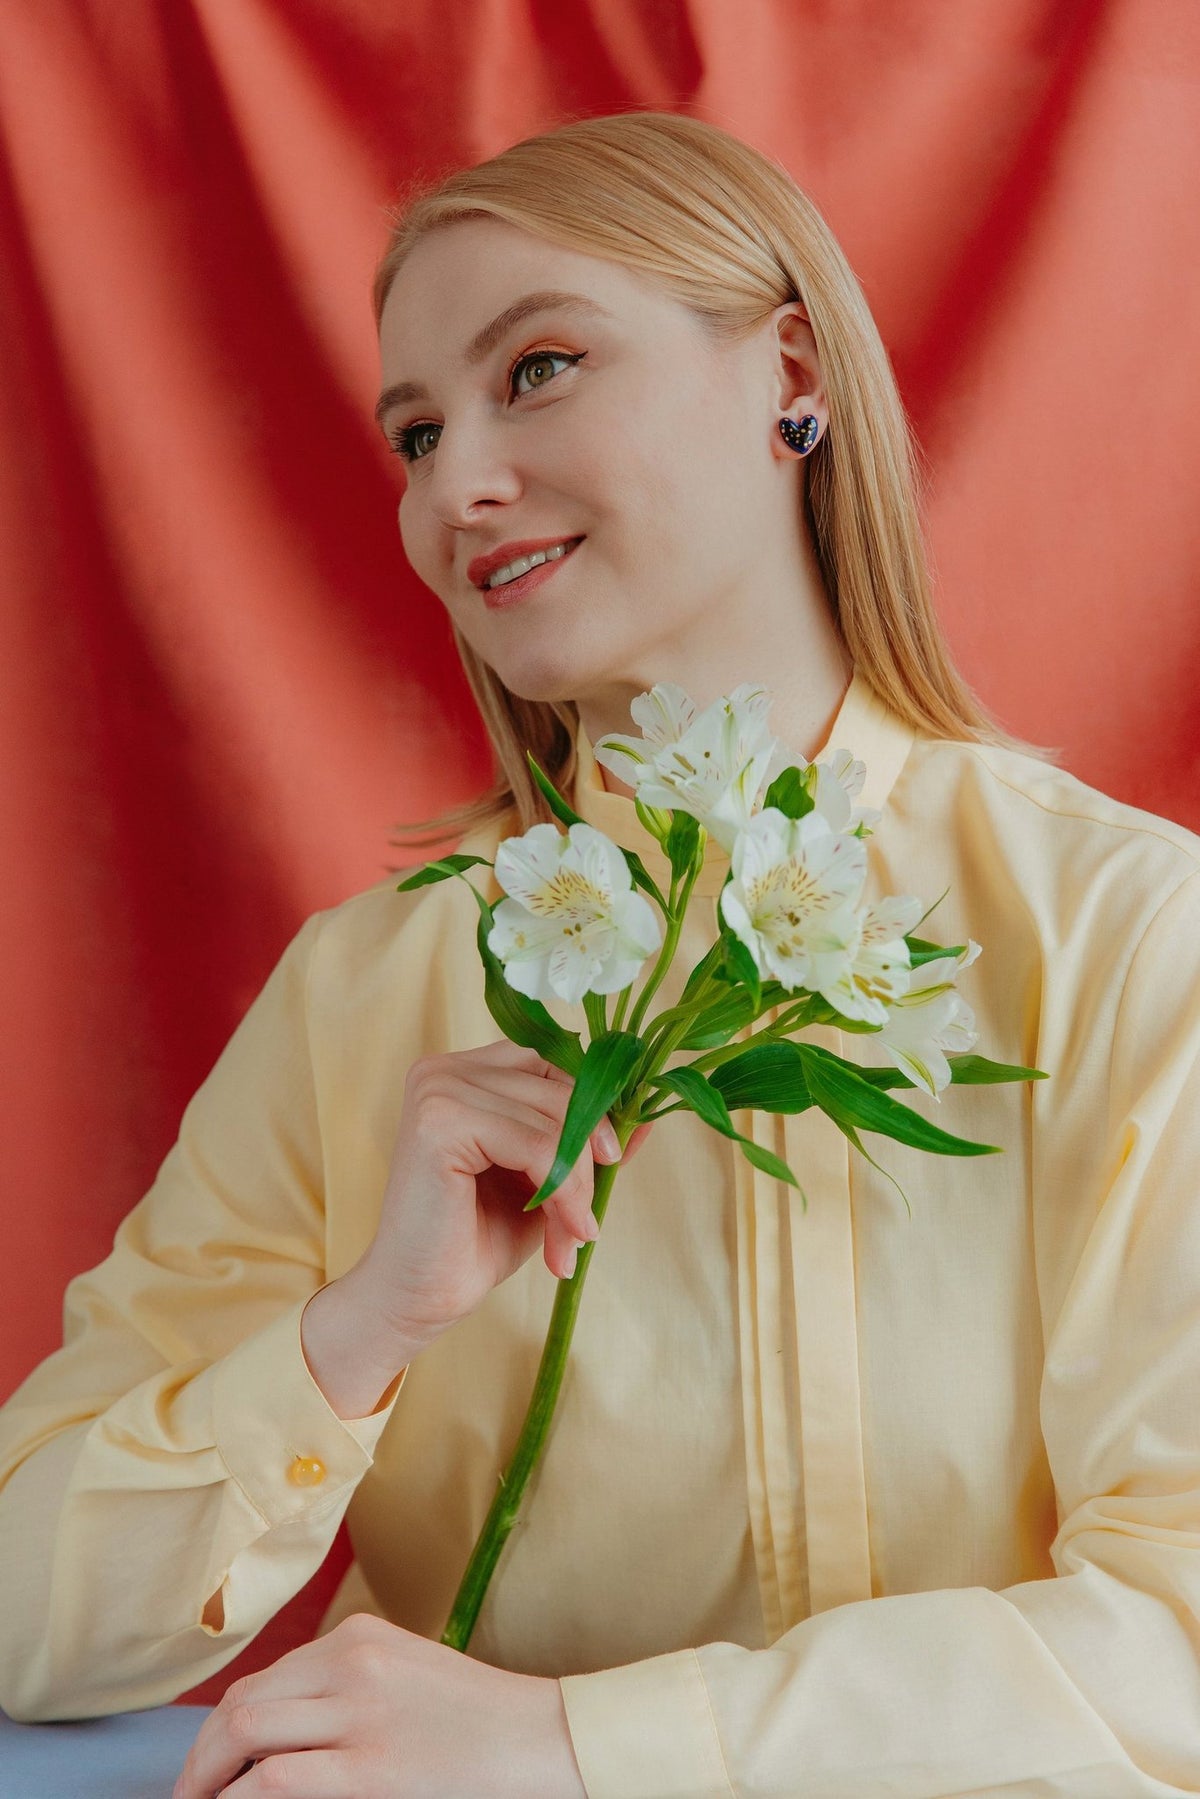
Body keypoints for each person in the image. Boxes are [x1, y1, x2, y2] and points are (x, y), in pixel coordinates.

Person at [2, 108, 1198, 1797]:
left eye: (538, 369)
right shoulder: (364, 1002)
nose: (455, 488)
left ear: (793, 368)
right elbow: (22, 1620)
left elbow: (1180, 1640)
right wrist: (357, 1335)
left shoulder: (1133, 942)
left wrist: (578, 1745)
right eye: (413, 433)